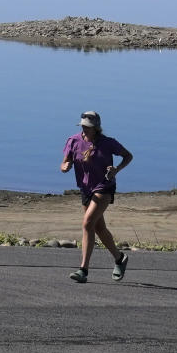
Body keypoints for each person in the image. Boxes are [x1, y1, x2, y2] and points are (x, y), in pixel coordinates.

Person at [61, 111, 133, 283]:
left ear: (97, 128)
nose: (84, 130)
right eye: (83, 126)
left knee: (87, 224)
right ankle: (119, 258)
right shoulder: (73, 141)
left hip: (104, 187)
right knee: (99, 228)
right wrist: (65, 167)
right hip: (85, 189)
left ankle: (83, 270)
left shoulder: (108, 143)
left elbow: (128, 156)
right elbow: (64, 162)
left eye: (88, 127)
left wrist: (116, 170)